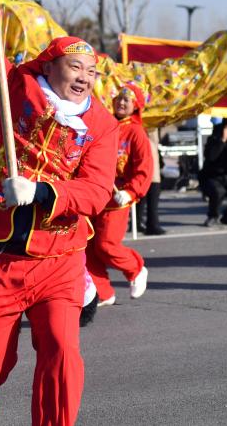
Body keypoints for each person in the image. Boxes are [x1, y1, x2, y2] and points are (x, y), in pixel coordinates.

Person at [0, 0, 118, 426]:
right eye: (75, 67)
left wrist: (44, 192)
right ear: (51, 66)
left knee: (62, 354)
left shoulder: (102, 124)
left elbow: (98, 192)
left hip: (60, 258)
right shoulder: (17, 85)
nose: (84, 77)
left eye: (91, 71)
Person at [85, 83, 152, 307]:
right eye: (119, 98)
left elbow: (144, 168)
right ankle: (103, 292)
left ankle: (135, 268)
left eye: (127, 100)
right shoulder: (106, 126)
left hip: (118, 198)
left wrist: (131, 191)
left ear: (135, 106)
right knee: (88, 247)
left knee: (106, 245)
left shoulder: (136, 132)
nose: (121, 103)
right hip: (96, 194)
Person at [138, 127, 165, 235]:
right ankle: (148, 223)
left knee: (147, 199)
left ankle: (145, 223)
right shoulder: (146, 127)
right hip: (150, 170)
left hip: (152, 171)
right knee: (145, 198)